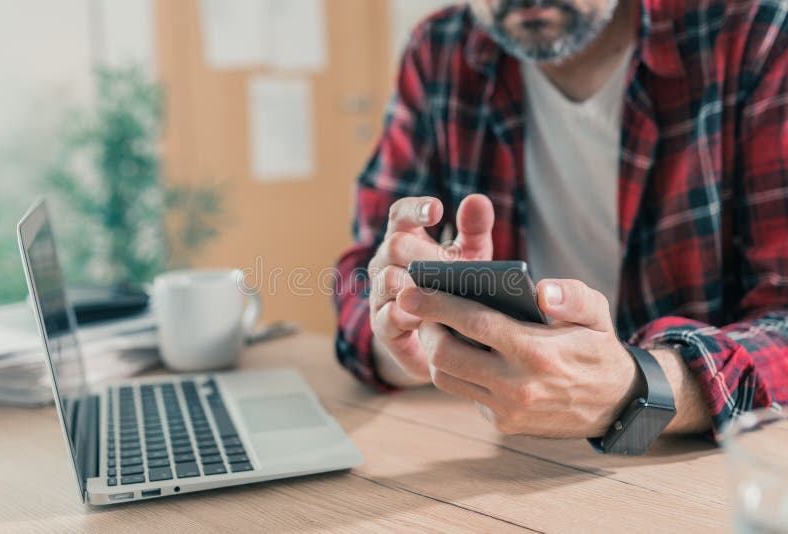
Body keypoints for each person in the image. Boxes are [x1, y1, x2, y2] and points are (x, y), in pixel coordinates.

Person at [333, 0, 788, 448]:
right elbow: (364, 270)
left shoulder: (753, 34)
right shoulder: (441, 51)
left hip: (708, 465)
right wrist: (407, 342)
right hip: (504, 449)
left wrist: (639, 386)